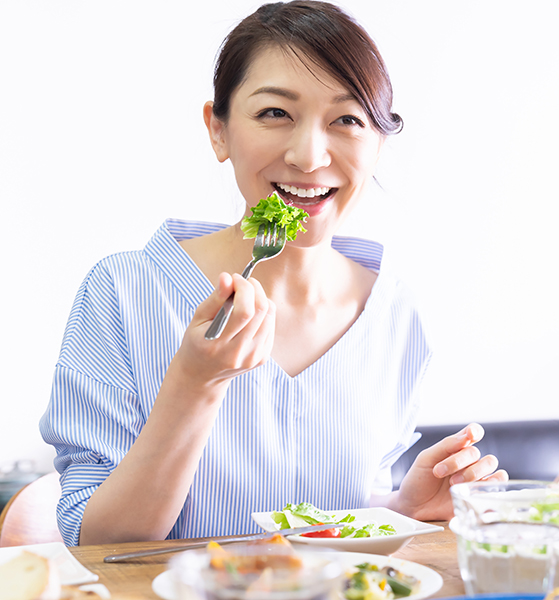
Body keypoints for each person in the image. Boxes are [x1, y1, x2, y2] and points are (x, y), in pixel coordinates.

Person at [40, 0, 507, 547]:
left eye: (347, 120)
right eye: (275, 113)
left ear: (378, 143)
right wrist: (194, 385)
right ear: (218, 130)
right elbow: (98, 543)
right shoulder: (123, 292)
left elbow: (332, 517)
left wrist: (399, 509)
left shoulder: (394, 313)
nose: (309, 157)